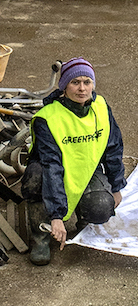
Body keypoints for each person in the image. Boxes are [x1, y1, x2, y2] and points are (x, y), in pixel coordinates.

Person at [21, 57, 126, 266]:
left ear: (93, 84)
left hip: (85, 170)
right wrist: (57, 215)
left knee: (101, 207)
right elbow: (52, 165)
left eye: (87, 82)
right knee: (36, 179)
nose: (82, 89)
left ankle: (84, 216)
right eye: (74, 82)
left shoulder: (101, 107)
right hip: (50, 170)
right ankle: (40, 236)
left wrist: (116, 186)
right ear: (64, 86)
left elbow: (113, 148)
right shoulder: (48, 118)